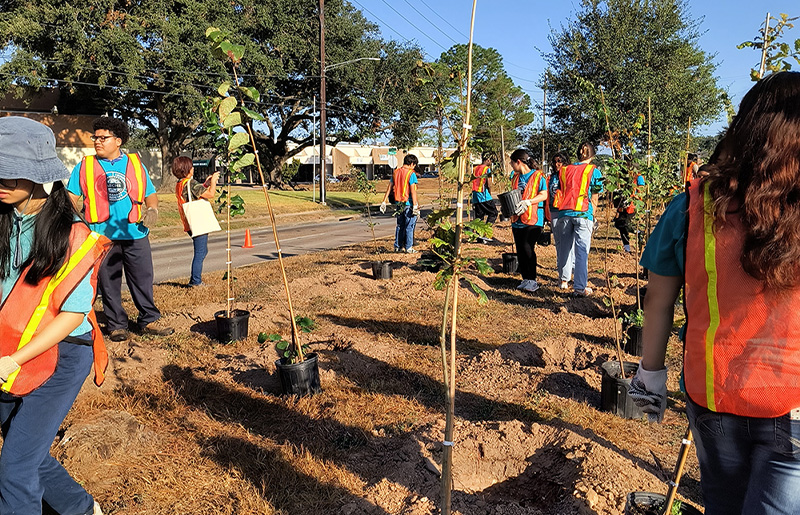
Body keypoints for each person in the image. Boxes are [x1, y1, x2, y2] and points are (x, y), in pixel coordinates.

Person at [630, 71, 800, 515]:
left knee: (724, 504)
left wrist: (650, 374)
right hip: (795, 401)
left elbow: (659, 302)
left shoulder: (693, 205)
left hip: (718, 390)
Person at [0, 117, 109, 515]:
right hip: (12, 348)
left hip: (61, 354)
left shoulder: (69, 234)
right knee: (22, 444)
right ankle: (82, 509)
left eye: (11, 173)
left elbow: (72, 314)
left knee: (14, 467)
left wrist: (14, 360)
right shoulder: (6, 217)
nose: (2, 181)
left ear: (38, 175)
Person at [67, 117, 173, 342]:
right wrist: (74, 223)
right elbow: (70, 198)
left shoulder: (136, 164)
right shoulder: (85, 166)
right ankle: (116, 325)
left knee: (142, 279)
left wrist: (152, 208)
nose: (97, 141)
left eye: (103, 138)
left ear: (118, 140)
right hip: (102, 237)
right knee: (108, 282)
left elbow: (150, 193)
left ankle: (149, 319)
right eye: (95, 137)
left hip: (135, 232)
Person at [551, 141, 603, 295]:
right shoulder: (594, 171)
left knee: (564, 248)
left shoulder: (564, 170)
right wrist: (593, 217)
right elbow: (594, 198)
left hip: (564, 213)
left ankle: (564, 281)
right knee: (581, 251)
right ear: (593, 156)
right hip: (583, 213)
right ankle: (580, 288)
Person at [172, 157, 219, 287]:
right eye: (191, 166)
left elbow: (195, 193)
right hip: (197, 222)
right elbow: (210, 194)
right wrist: (214, 182)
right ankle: (196, 281)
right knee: (200, 253)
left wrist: (205, 184)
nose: (193, 168)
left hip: (189, 223)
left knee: (202, 251)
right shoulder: (190, 182)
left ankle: (195, 280)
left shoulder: (180, 183)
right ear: (186, 169)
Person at [508, 149, 548, 293]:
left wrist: (529, 202)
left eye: (512, 162)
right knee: (520, 249)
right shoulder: (515, 177)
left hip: (533, 219)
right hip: (517, 219)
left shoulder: (538, 176)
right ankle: (525, 278)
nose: (511, 165)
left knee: (527, 247)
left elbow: (544, 195)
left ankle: (532, 279)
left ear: (519, 162)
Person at [380, 154, 420, 253]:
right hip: (408, 203)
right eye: (414, 165)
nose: (414, 167)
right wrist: (415, 205)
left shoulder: (396, 172)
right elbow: (413, 190)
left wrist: (384, 201)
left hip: (399, 203)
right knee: (409, 225)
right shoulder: (411, 174)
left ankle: (397, 246)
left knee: (400, 225)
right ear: (411, 164)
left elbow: (389, 187)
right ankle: (408, 247)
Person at [548, 151, 574, 287]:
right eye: (555, 161)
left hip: (566, 210)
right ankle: (562, 270)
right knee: (558, 242)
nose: (557, 164)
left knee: (569, 242)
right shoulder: (552, 176)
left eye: (560, 161)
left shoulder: (568, 175)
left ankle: (569, 272)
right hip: (554, 210)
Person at [612, 166, 646, 253]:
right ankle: (627, 247)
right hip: (624, 205)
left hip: (632, 206)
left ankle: (639, 232)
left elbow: (641, 191)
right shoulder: (624, 178)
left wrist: (634, 197)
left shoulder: (638, 177)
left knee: (625, 224)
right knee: (620, 224)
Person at [471, 154, 498, 243]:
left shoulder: (475, 168)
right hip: (483, 194)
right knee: (493, 213)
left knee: (479, 217)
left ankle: (479, 237)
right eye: (490, 160)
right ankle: (486, 232)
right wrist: (490, 194)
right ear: (487, 160)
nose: (490, 162)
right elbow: (489, 183)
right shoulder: (487, 169)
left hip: (475, 195)